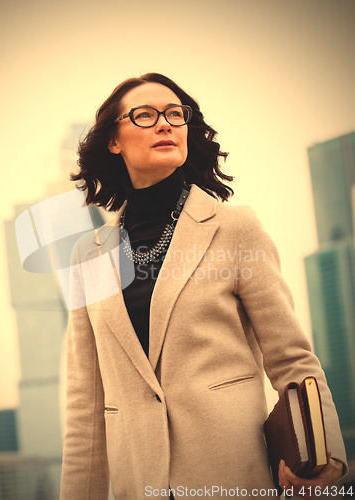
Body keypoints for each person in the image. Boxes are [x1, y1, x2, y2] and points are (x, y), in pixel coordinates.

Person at [59, 73, 347, 500]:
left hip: (234, 476)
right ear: (113, 141)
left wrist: (329, 457)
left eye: (175, 114)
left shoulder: (234, 228)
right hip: (139, 485)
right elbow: (86, 405)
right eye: (144, 115)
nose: (164, 123)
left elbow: (293, 359)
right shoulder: (90, 254)